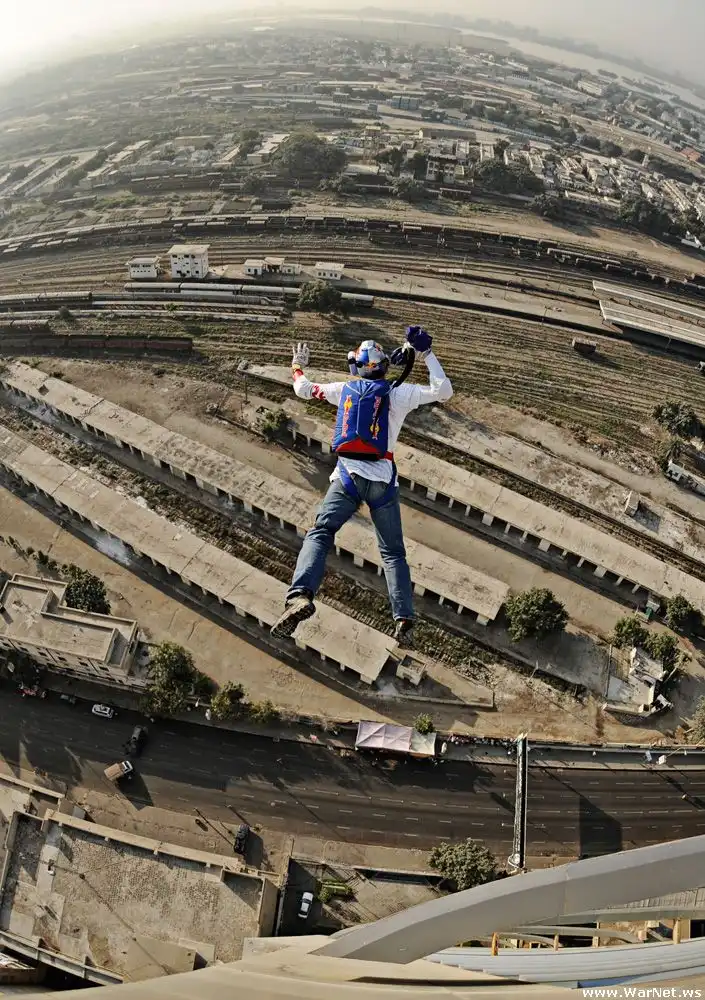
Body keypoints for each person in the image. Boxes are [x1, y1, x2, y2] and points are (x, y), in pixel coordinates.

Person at [270, 326, 453, 648]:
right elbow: (444, 391)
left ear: (356, 366)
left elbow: (303, 389)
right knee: (393, 553)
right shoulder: (399, 393)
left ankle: (300, 595)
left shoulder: (343, 390)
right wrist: (426, 354)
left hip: (347, 479)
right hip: (383, 482)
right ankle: (404, 620)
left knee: (321, 533)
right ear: (384, 365)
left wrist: (297, 365)